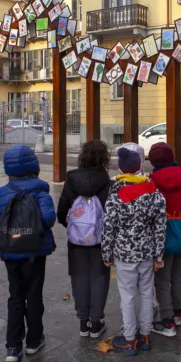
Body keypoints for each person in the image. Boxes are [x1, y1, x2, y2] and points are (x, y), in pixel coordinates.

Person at [102, 143, 167, 356]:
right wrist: (159, 254)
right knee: (147, 293)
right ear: (140, 165)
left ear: (120, 168)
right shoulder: (153, 191)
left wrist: (106, 253)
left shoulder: (115, 194)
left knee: (127, 296)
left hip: (123, 254)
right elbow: (160, 227)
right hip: (147, 253)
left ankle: (130, 338)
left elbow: (108, 227)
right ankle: (146, 334)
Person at [0, 146, 56, 362]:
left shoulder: (3, 192)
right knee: (34, 294)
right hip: (35, 252)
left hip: (11, 252)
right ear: (34, 167)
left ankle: (12, 346)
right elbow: (49, 219)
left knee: (15, 296)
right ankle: (33, 340)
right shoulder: (41, 192)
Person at [57, 140, 112, 340]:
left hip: (77, 241)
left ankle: (83, 322)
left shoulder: (72, 178)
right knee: (99, 278)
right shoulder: (107, 181)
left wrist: (75, 228)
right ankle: (96, 323)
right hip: (101, 240)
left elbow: (62, 212)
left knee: (79, 277)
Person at [148, 143, 181, 337]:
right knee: (178, 277)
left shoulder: (152, 181)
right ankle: (177, 314)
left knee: (161, 280)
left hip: (162, 238)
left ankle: (167, 322)